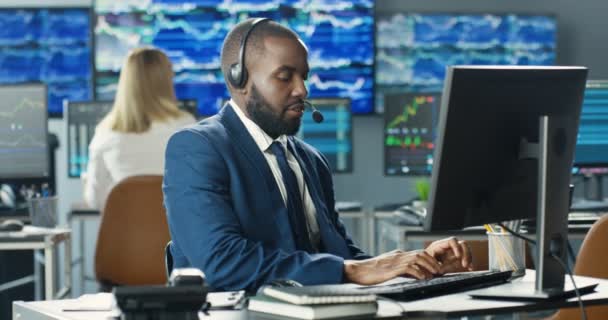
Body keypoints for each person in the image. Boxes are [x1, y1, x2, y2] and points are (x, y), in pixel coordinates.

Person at [163, 19, 473, 292]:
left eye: (303, 76)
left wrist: (416, 266)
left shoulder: (309, 159)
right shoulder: (197, 148)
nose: (302, 90)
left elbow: (343, 258)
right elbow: (221, 262)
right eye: (285, 76)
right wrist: (351, 270)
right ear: (239, 80)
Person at [83, 47, 195, 210]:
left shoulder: (106, 133)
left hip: (124, 234)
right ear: (167, 80)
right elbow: (199, 193)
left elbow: (95, 201)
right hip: (175, 234)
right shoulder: (188, 127)